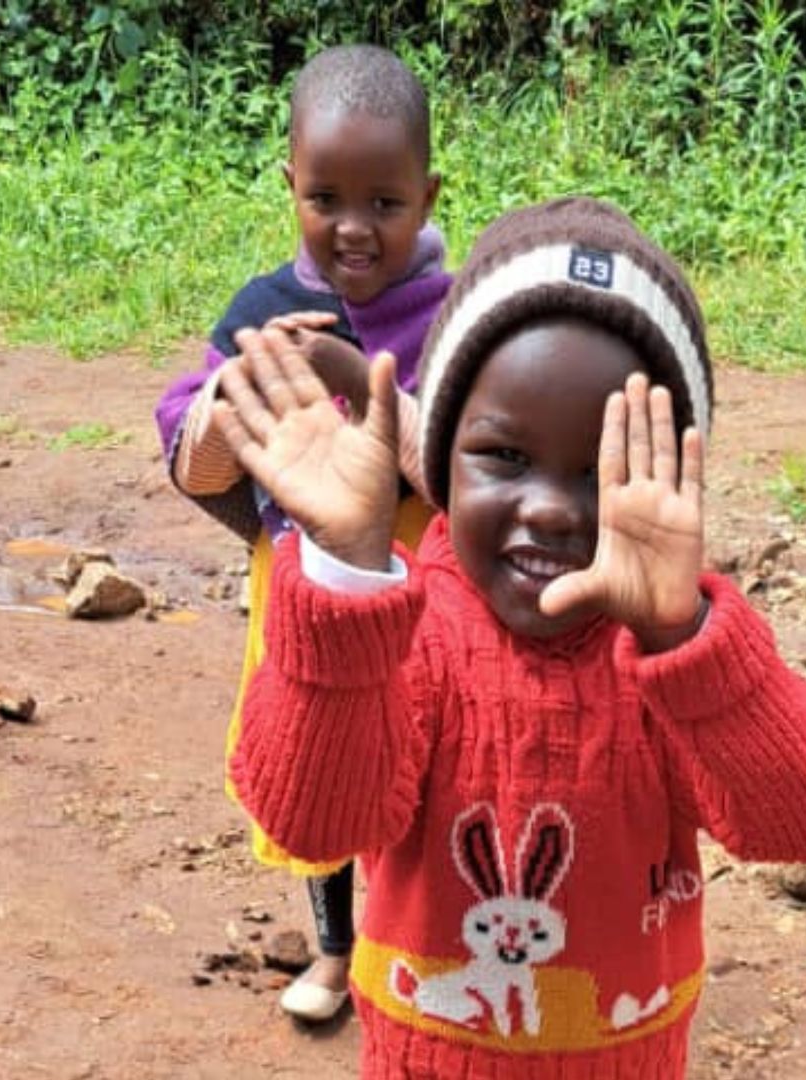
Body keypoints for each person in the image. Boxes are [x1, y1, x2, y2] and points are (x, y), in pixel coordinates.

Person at [217, 196, 806, 1078]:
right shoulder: (412, 636)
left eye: (604, 469)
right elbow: (313, 819)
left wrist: (683, 636)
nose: (554, 508)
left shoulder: (673, 652)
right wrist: (345, 572)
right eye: (505, 457)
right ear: (437, 458)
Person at [153, 43, 451, 1023]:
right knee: (317, 753)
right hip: (302, 581)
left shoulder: (451, 315)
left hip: (425, 584)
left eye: (386, 203)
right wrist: (232, 402)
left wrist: (357, 379)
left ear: (428, 195)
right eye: (326, 199)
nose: (353, 227)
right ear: (290, 185)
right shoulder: (263, 312)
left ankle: (424, 937)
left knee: (426, 753)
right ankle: (334, 948)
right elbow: (194, 463)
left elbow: (470, 463)